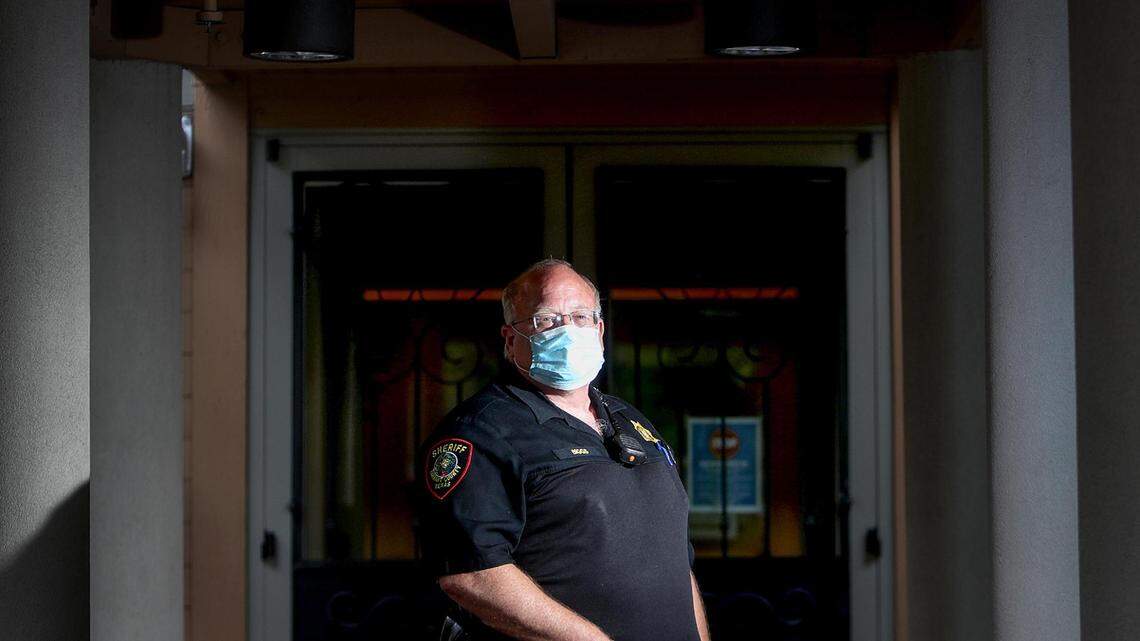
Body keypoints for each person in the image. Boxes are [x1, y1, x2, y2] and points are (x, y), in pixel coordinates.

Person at [416, 259, 710, 641]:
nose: (568, 329)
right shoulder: (483, 432)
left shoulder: (631, 421)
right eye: (547, 320)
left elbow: (674, 561)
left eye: (581, 317)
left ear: (599, 329)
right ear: (509, 339)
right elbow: (472, 574)